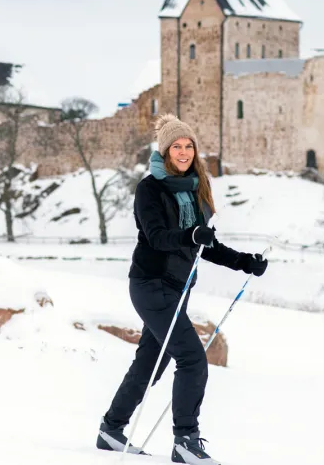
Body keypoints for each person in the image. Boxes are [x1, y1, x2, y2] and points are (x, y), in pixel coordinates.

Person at [96, 114, 268, 464]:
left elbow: (207, 246)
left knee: (150, 363)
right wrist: (191, 235)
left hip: (178, 287)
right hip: (150, 283)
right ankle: (185, 440)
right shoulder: (150, 189)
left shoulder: (196, 190)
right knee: (192, 359)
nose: (184, 151)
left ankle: (110, 429)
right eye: (177, 146)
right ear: (165, 151)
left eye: (189, 145)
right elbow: (158, 237)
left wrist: (246, 262)